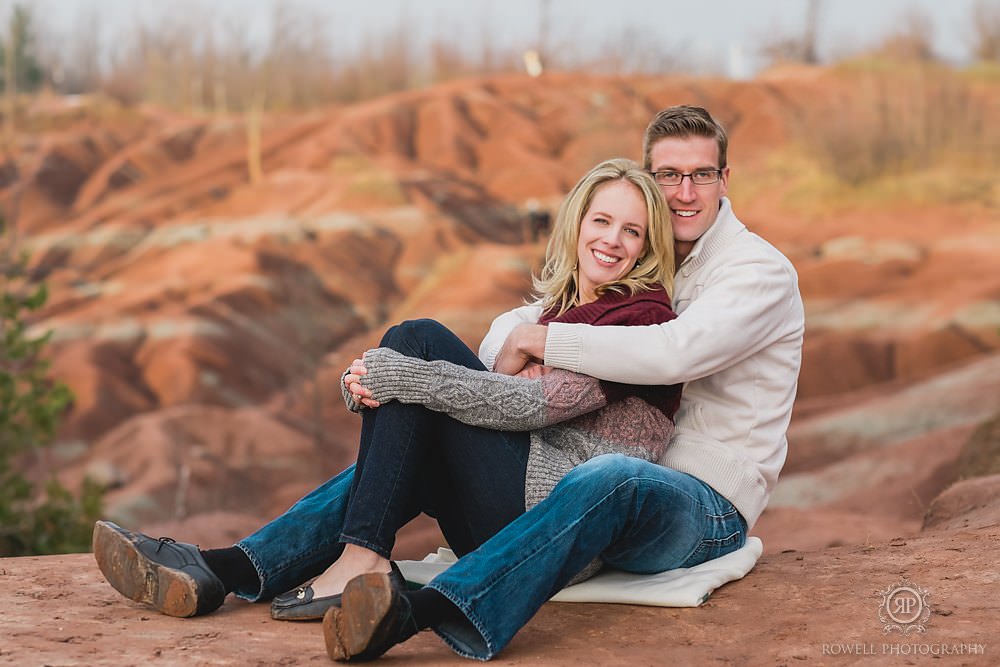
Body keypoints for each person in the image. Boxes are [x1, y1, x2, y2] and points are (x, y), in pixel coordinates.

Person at [91, 158, 680, 628]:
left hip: (554, 523)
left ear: (650, 246)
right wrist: (385, 385)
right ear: (578, 221)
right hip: (504, 503)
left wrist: (395, 377)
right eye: (602, 221)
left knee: (416, 341)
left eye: (632, 231)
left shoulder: (643, 317)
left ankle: (325, 560)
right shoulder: (570, 312)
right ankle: (226, 570)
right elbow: (494, 400)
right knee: (412, 376)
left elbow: (524, 407)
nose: (613, 240)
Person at [320, 104, 804, 662]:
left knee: (610, 475)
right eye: (670, 175)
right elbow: (525, 319)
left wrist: (534, 345)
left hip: (703, 504)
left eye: (702, 174)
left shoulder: (755, 270)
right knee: (419, 352)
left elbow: (675, 354)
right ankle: (263, 563)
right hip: (610, 487)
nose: (686, 191)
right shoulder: (645, 257)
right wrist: (506, 343)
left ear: (725, 179)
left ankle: (417, 615)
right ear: (651, 180)